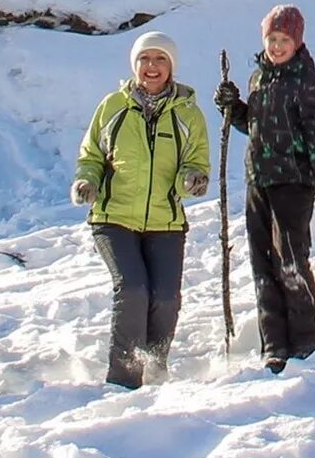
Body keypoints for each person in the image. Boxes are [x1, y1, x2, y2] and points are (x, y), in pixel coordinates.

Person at [73, 32, 212, 389]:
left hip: (165, 221)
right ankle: (123, 379)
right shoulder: (112, 107)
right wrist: (87, 182)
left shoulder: (188, 114)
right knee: (133, 289)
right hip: (114, 218)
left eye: (160, 59)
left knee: (165, 297)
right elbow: (91, 155)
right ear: (134, 65)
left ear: (171, 67)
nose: (152, 67)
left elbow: (194, 162)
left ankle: (154, 367)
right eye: (145, 59)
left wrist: (192, 180)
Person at [214, 6, 315, 372]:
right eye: (272, 39)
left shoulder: (308, 81)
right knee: (262, 264)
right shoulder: (260, 78)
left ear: (297, 41)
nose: (276, 46)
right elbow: (257, 125)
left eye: (284, 40)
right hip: (259, 179)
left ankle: (308, 342)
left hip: (294, 180)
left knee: (289, 260)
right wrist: (234, 108)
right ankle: (273, 343)